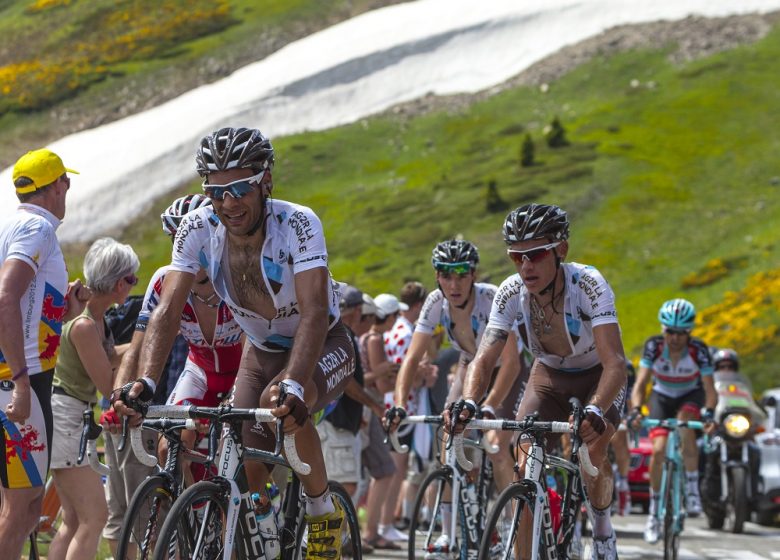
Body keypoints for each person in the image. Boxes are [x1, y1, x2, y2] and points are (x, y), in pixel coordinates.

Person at [112, 127, 355, 560]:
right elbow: (167, 311)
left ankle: (322, 513)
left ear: (266, 181)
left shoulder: (298, 223)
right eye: (216, 191)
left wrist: (296, 383)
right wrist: (147, 382)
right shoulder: (197, 227)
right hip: (259, 351)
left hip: (319, 342)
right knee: (245, 445)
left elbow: (315, 311)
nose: (229, 202)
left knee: (282, 406)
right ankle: (252, 527)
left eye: (240, 188)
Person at [449, 203, 627, 560]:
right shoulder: (511, 291)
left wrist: (595, 409)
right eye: (517, 257)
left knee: (592, 448)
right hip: (547, 375)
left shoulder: (589, 284)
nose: (526, 266)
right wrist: (469, 401)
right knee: (523, 453)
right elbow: (484, 357)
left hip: (597, 374)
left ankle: (603, 532)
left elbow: (616, 363)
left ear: (561, 249)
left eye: (536, 254)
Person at [387, 239, 525, 557]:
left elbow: (514, 362)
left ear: (473, 275)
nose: (454, 283)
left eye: (462, 274)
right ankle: (448, 533)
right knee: (447, 440)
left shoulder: (492, 298)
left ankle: (509, 531)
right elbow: (411, 359)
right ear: (437, 277)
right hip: (468, 365)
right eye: (446, 275)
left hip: (505, 370)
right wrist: (398, 402)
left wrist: (489, 406)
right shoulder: (435, 302)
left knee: (496, 445)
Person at [0, 148, 88, 559]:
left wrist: (65, 310)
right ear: (57, 186)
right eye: (65, 182)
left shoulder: (14, 224)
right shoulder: (37, 230)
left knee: (26, 504)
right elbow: (5, 298)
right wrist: (19, 381)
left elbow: (24, 304)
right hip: (21, 377)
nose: (67, 189)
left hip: (22, 372)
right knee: (22, 509)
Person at [47, 237, 139, 560]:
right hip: (68, 417)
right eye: (132, 279)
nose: (133, 285)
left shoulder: (95, 319)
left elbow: (110, 355)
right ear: (118, 284)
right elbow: (108, 385)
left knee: (73, 521)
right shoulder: (84, 326)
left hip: (68, 417)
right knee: (94, 517)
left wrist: (145, 340)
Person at [630, 298, 717, 544]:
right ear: (662, 329)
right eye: (670, 331)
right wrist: (637, 409)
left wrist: (709, 412)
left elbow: (710, 390)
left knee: (684, 422)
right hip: (662, 396)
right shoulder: (654, 346)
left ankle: (691, 490)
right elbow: (641, 384)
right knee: (657, 451)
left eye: (681, 333)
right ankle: (654, 513)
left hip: (691, 394)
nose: (675, 338)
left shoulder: (699, 350)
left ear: (689, 332)